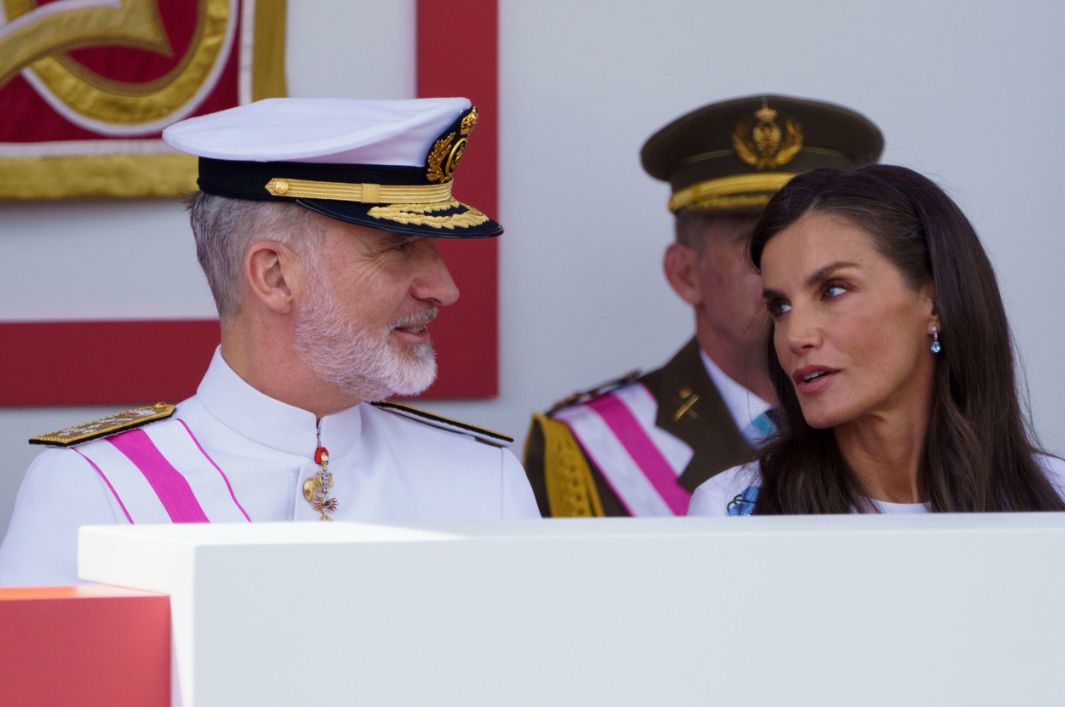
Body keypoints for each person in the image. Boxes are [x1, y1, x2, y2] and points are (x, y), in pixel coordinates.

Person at [0, 97, 539, 587]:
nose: (445, 288)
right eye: (399, 247)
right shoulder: (96, 490)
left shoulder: (481, 481)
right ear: (275, 275)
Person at [523, 95, 883, 516]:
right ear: (685, 275)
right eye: (758, 247)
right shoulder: (590, 446)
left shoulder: (903, 421)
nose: (795, 272)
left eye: (823, 253)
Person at [689, 164, 1065, 515]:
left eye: (833, 290)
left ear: (934, 302)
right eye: (780, 307)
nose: (795, 336)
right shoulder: (733, 510)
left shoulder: (1054, 499)